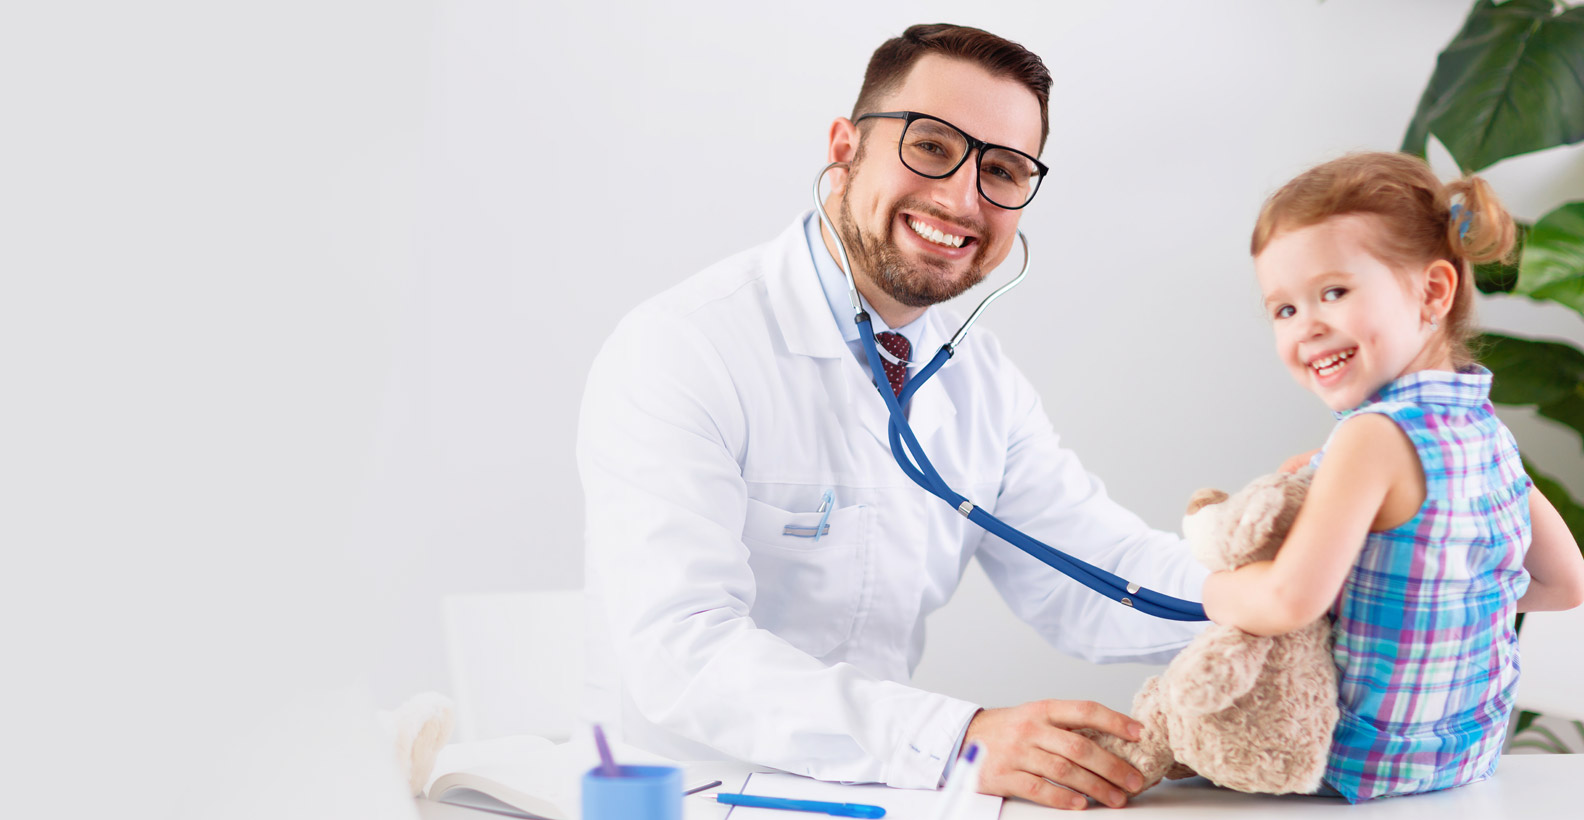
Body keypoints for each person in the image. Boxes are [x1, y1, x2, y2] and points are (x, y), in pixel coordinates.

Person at [577, 24, 1212, 811]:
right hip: (684, 799)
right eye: (932, 146)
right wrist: (957, 738)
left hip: (886, 797)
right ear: (844, 149)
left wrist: (1283, 580)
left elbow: (1096, 575)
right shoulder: (685, 347)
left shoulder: (981, 383)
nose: (962, 199)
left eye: (1002, 170)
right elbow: (682, 653)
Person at [1204, 152, 1584, 802]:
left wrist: (1217, 588)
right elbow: (1565, 582)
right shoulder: (1486, 432)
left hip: (1352, 762)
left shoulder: (1372, 437)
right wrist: (1433, 601)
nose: (1308, 326)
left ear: (1433, 292)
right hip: (1464, 761)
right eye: (1283, 309)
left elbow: (1290, 602)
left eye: (1333, 292)